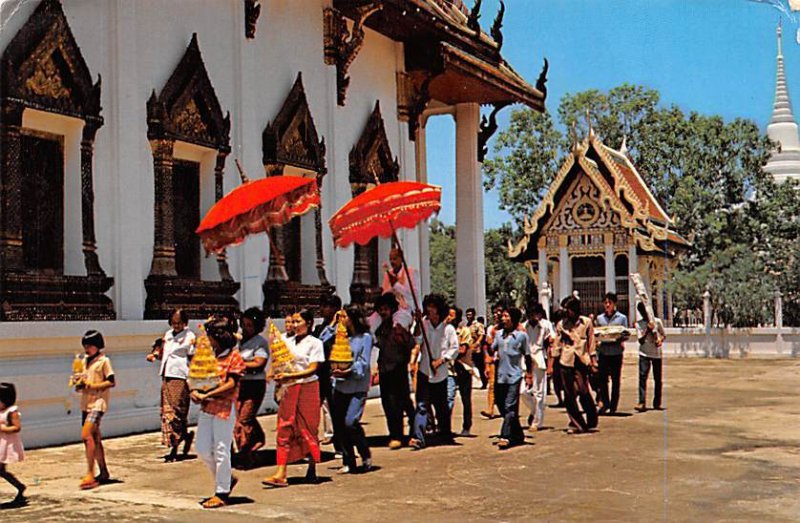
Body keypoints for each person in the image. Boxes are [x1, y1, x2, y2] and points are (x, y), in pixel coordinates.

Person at [263, 310, 324, 488]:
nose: (295, 325)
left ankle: (312, 466)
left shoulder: (315, 343)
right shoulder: (286, 342)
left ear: (309, 323)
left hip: (308, 387)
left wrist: (292, 376)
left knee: (308, 426)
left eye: (299, 321)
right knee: (284, 426)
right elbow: (279, 363)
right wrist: (277, 378)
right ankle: (281, 472)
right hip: (289, 388)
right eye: (293, 322)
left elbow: (313, 368)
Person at [190, 315, 246, 509]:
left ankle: (222, 491)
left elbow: (232, 384)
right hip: (207, 407)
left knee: (222, 449)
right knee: (203, 448)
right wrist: (195, 391)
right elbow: (197, 376)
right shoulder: (210, 355)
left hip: (224, 408)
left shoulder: (234, 357)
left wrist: (208, 394)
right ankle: (226, 479)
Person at [147, 308, 196, 462]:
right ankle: (177, 440)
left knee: (177, 411)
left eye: (179, 323)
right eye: (174, 323)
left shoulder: (190, 336)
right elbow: (161, 349)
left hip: (180, 375)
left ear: (185, 323)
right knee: (167, 411)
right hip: (167, 374)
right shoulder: (168, 335)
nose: (176, 326)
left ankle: (177, 443)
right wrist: (154, 355)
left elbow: (193, 356)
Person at [410, 294, 458, 449]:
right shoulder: (423, 325)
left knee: (441, 406)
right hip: (424, 371)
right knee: (422, 405)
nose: (428, 310)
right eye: (427, 306)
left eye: (432, 306)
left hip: (441, 373)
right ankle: (418, 437)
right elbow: (416, 340)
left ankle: (445, 433)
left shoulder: (448, 329)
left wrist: (441, 360)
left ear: (438, 310)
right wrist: (417, 322)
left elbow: (454, 348)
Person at [331, 306, 374, 474]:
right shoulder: (340, 336)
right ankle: (348, 459)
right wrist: (332, 325)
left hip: (357, 385)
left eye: (344, 316)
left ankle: (364, 453)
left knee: (351, 422)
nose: (342, 319)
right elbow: (323, 339)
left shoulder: (365, 338)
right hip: (340, 385)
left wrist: (349, 370)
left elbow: (364, 362)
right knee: (340, 425)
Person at [374, 293, 416, 449]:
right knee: (388, 405)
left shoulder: (399, 328)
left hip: (398, 372)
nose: (383, 312)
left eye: (386, 309)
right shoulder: (381, 328)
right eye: (381, 309)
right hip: (385, 371)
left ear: (392, 309)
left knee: (401, 404)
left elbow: (411, 344)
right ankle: (394, 434)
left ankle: (408, 433)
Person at [553, 297, 598, 434]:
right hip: (565, 361)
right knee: (569, 394)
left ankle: (592, 419)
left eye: (569, 309)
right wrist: (552, 364)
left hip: (581, 360)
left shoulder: (586, 323)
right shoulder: (562, 324)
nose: (567, 312)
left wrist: (593, 360)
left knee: (583, 390)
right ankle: (577, 423)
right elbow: (557, 344)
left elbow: (591, 342)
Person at [78, 330, 115, 490]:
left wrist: (94, 386)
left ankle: (90, 472)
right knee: (94, 438)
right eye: (85, 346)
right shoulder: (84, 361)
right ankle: (103, 471)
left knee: (86, 435)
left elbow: (111, 382)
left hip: (98, 402)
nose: (87, 349)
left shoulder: (104, 361)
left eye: (90, 346)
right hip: (86, 402)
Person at [234, 307, 269, 468]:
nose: (246, 328)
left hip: (255, 384)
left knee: (245, 419)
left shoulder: (260, 342)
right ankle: (257, 440)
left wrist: (239, 365)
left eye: (249, 325)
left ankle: (245, 453)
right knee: (240, 416)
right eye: (244, 325)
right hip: (240, 384)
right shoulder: (240, 341)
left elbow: (259, 363)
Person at [491, 308, 531, 448]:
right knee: (501, 404)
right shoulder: (498, 335)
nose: (503, 318)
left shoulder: (521, 336)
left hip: (514, 375)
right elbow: (492, 349)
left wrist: (529, 374)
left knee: (510, 406)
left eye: (506, 316)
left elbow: (527, 355)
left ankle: (505, 435)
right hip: (500, 376)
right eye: (503, 316)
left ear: (513, 319)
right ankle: (518, 434)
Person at [312, 294, 342, 448]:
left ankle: (339, 441)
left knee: (335, 407)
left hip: (334, 372)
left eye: (327, 306)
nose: (323, 310)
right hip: (320, 373)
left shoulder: (340, 329)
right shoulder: (319, 329)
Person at [594, 293, 630, 414]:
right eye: (605, 303)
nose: (607, 305)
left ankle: (613, 406)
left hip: (616, 352)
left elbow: (625, 334)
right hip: (603, 352)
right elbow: (596, 334)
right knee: (602, 380)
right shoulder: (600, 318)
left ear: (614, 304)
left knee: (616, 380)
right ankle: (605, 403)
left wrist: (619, 337)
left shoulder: (622, 318)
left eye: (609, 303)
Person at [521, 303, 554, 431]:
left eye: (535, 314)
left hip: (539, 357)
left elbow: (550, 343)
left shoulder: (546, 325)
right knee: (522, 391)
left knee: (539, 392)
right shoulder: (524, 326)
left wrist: (551, 364)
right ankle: (535, 410)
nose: (532, 317)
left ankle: (537, 421)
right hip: (526, 360)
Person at [447, 307, 474, 437]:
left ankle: (467, 426)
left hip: (463, 369)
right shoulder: (444, 331)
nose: (449, 317)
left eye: (451, 315)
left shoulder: (464, 331)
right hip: (449, 370)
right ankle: (445, 426)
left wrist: (446, 355)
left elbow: (463, 350)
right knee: (448, 398)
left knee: (465, 399)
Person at [635, 302, 666, 412]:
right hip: (644, 353)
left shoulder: (657, 321)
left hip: (656, 354)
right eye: (641, 311)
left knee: (658, 379)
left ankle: (657, 402)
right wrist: (648, 330)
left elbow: (663, 335)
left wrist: (660, 340)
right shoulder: (639, 324)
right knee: (642, 378)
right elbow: (640, 340)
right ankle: (642, 402)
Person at [0, 383, 26, 505]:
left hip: (5, 444)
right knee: (1, 471)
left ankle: (19, 487)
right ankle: (19, 486)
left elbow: (17, 427)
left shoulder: (11, 412)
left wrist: (4, 429)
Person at [481, 304, 506, 419]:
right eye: (495, 313)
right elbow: (486, 346)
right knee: (491, 385)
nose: (497, 315)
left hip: (505, 361)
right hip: (493, 360)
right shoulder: (491, 329)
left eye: (499, 312)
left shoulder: (509, 329)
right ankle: (490, 409)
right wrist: (486, 362)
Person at [382, 247, 420, 312]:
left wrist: (396, 285)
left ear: (401, 259)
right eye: (390, 259)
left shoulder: (411, 272)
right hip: (391, 310)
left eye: (394, 259)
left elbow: (413, 295)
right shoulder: (387, 274)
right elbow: (385, 293)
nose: (392, 262)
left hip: (408, 310)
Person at [465, 308, 486, 389]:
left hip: (477, 350)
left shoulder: (477, 324)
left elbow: (481, 335)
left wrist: (477, 343)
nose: (468, 316)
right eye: (467, 315)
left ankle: (484, 382)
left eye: (470, 314)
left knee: (480, 367)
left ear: (473, 315)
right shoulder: (467, 325)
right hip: (469, 349)